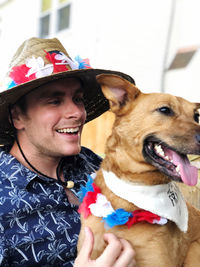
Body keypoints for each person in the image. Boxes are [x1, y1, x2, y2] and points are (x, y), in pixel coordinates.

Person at [0, 37, 136, 266]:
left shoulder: (93, 163)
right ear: (17, 116)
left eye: (78, 99)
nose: (76, 112)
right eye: (54, 101)